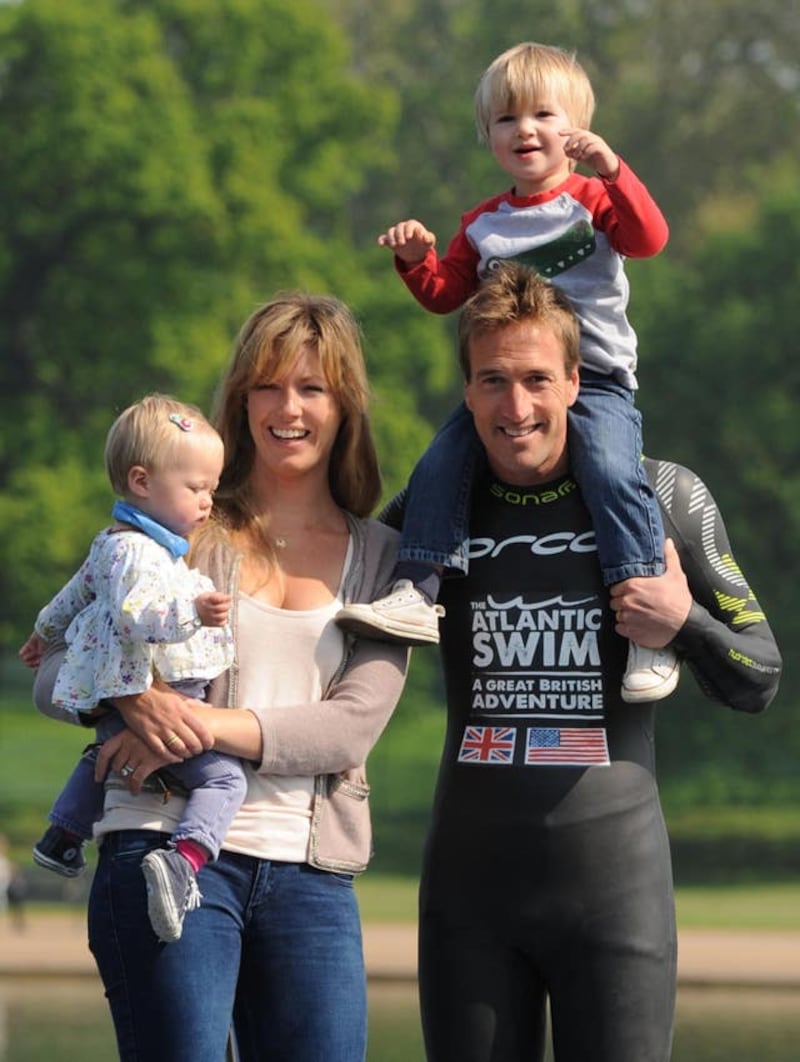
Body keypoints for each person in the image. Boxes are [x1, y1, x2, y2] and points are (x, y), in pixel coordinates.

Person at [379, 263, 780, 1062]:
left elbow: (759, 675)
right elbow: (305, 605)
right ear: (465, 391)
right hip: (468, 894)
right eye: (492, 381)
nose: (515, 406)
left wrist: (684, 621)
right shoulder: (431, 512)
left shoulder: (658, 496)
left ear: (574, 381)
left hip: (615, 894)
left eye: (535, 379)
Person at [33, 292, 409, 1062]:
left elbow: (349, 728)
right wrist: (130, 696)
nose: (288, 409)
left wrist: (195, 726)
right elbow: (53, 675)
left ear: (345, 406)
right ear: (239, 401)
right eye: (266, 386)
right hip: (161, 844)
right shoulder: (175, 530)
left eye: (312, 388)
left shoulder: (381, 555)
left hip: (310, 876)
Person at [337, 41, 677, 703]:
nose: (525, 130)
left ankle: (643, 624)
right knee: (439, 462)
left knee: (611, 469)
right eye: (506, 119)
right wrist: (415, 259)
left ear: (574, 129)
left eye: (543, 115)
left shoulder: (593, 201)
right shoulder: (485, 224)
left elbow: (650, 240)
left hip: (597, 379)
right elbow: (445, 294)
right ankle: (417, 589)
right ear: (488, 136)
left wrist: (614, 170)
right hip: (506, 388)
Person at [19, 394, 241, 943]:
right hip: (149, 690)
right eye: (195, 488)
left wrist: (43, 630)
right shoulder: (139, 554)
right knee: (223, 777)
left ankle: (63, 836)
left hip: (120, 693)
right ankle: (184, 859)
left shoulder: (116, 543)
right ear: (141, 482)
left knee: (107, 751)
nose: (207, 501)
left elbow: (73, 594)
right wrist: (191, 611)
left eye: (211, 488)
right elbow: (137, 614)